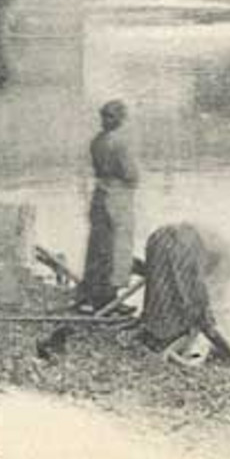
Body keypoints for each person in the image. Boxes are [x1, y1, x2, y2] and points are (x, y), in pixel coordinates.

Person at [139, 223, 230, 364]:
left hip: (159, 236)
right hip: (184, 244)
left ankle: (154, 335)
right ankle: (167, 343)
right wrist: (229, 349)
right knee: (194, 310)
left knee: (161, 294)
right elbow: (209, 296)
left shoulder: (225, 239)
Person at [79, 99, 140, 310]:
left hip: (100, 193)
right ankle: (108, 297)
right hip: (117, 196)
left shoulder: (97, 140)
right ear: (121, 119)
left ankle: (92, 293)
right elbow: (131, 175)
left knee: (98, 245)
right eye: (110, 116)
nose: (108, 120)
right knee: (116, 246)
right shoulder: (120, 143)